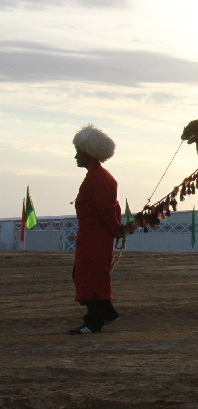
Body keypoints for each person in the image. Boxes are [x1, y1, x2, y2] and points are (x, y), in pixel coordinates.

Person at [69, 124, 124, 335]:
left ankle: (93, 322)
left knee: (90, 275)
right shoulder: (99, 176)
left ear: (89, 154)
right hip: (92, 236)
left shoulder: (98, 178)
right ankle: (108, 313)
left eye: (78, 152)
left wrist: (116, 230)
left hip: (95, 237)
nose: (76, 156)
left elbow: (106, 210)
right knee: (88, 273)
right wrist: (116, 229)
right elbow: (112, 209)